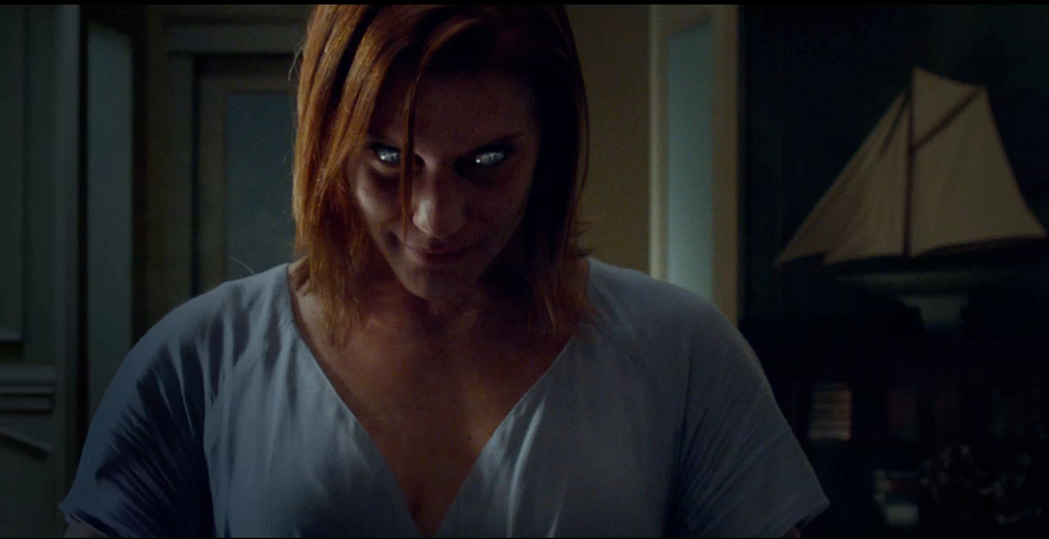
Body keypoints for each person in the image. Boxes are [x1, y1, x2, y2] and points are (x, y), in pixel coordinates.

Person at [61, 5, 828, 537]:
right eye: (389, 158)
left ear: (549, 147)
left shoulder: (681, 353)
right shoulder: (197, 359)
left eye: (485, 162)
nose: (434, 217)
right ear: (329, 144)